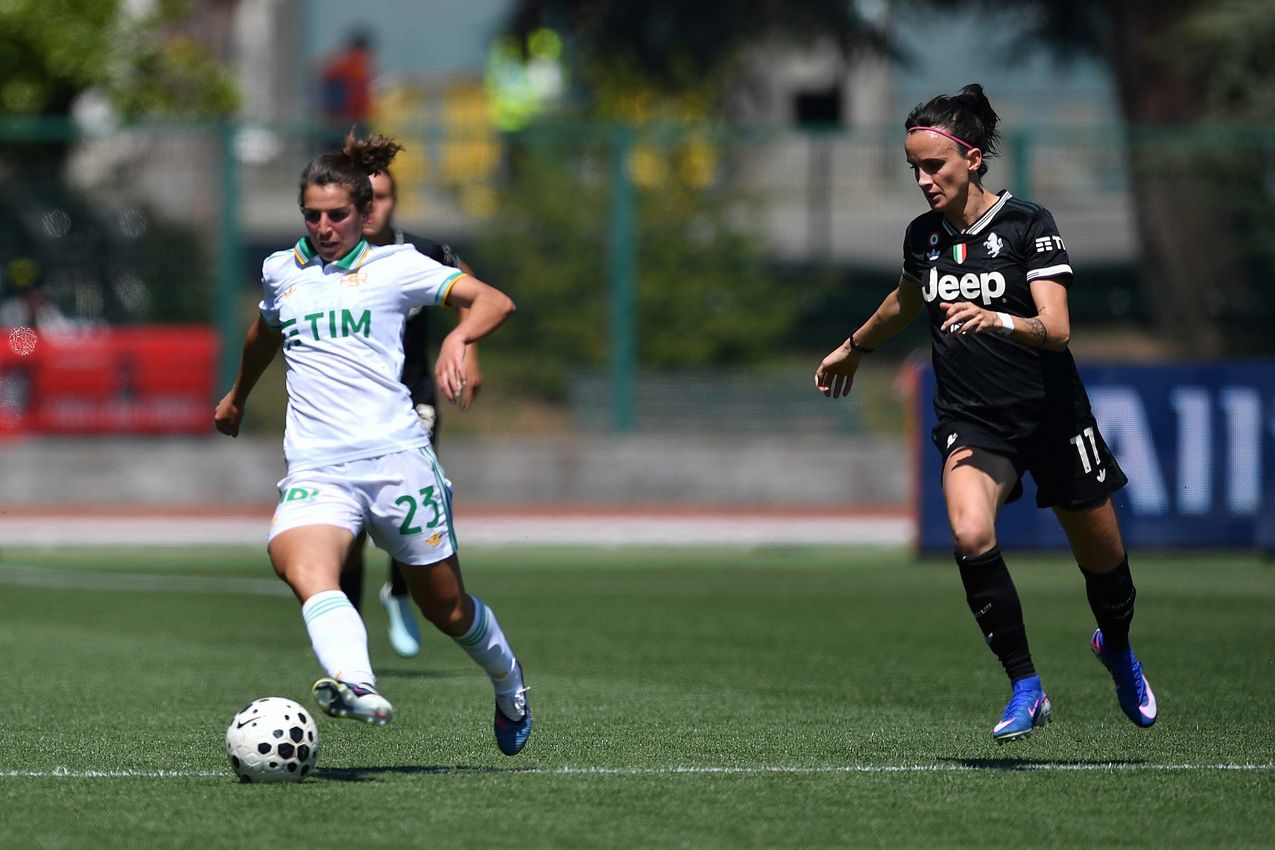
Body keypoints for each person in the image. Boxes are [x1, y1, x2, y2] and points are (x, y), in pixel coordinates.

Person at [814, 84, 1156, 744]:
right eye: (912, 168)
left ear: (972, 159)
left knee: (1105, 567)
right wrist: (853, 347)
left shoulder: (1028, 223)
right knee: (969, 533)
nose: (922, 180)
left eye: (932, 166)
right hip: (973, 420)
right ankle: (1026, 685)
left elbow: (1055, 330)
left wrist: (996, 317)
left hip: (1053, 419)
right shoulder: (924, 237)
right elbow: (904, 302)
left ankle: (1115, 647)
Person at [213, 133, 532, 756]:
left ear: (363, 213)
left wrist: (457, 340)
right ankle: (355, 682)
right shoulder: (283, 271)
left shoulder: (399, 266)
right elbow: (262, 333)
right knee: (297, 560)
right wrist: (237, 394)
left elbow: (494, 301)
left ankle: (507, 678)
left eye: (337, 215)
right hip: (318, 466)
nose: (325, 226)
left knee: (447, 610)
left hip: (397, 463)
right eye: (313, 214)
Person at [339, 163, 483, 659]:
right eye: (366, 196)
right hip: (350, 413)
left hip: (412, 401)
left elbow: (469, 285)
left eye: (383, 196)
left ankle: (400, 593)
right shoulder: (329, 260)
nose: (374, 206)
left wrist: (465, 346)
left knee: (410, 509)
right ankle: (349, 634)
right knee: (351, 528)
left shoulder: (416, 253)